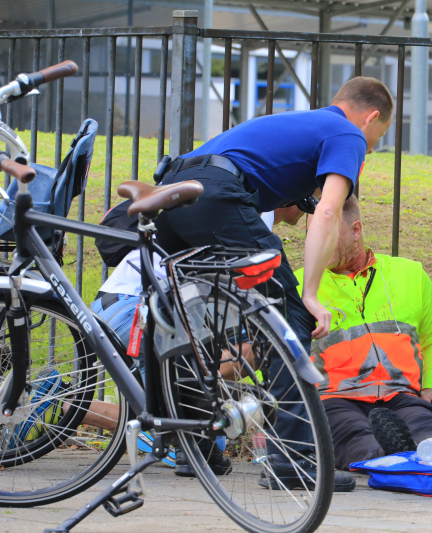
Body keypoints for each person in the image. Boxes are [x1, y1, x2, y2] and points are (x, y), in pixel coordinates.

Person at [154, 76, 394, 492]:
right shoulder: (347, 133)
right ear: (371, 117)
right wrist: (310, 294)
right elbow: (328, 212)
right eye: (379, 137)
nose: (371, 148)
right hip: (216, 195)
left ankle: (195, 449)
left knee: (199, 325)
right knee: (289, 318)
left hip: (172, 194)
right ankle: (294, 463)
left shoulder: (301, 124)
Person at [83, 208, 305, 475]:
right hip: (140, 307)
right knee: (263, 347)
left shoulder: (241, 202)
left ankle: (64, 406)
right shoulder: (257, 212)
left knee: (170, 408)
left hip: (115, 304)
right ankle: (189, 433)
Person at [294, 197, 432, 472]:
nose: (315, 244)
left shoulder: (410, 274)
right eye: (311, 234)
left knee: (431, 428)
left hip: (401, 395)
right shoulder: (299, 286)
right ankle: (389, 456)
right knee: (352, 436)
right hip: (334, 399)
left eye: (325, 234)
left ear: (356, 230)